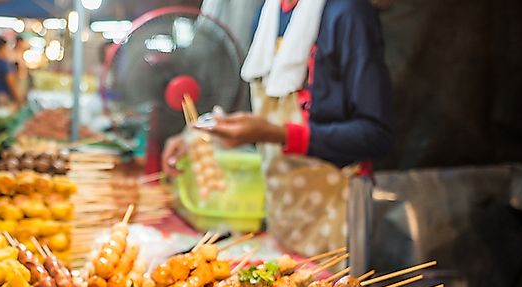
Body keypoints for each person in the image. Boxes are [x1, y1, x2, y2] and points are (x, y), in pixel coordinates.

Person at [164, 0, 393, 256]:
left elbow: (376, 134)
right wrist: (200, 138)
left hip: (336, 216)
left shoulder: (348, 13)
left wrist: (277, 134)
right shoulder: (269, 11)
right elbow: (266, 115)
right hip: (283, 215)